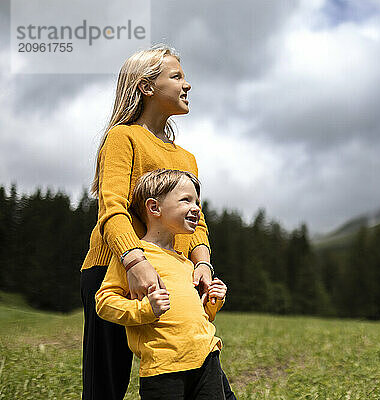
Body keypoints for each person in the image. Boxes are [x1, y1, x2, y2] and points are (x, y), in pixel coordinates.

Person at [79, 44, 225, 399]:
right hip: (114, 268)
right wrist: (135, 262)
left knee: (192, 363)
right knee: (106, 385)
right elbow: (111, 208)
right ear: (146, 87)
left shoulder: (185, 157)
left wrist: (202, 263)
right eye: (176, 77)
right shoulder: (123, 137)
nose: (186, 85)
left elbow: (198, 222)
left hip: (172, 273)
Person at [96, 169, 234, 399]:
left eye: (197, 202)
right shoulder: (136, 258)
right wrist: (144, 309)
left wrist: (213, 300)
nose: (196, 208)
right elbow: (104, 302)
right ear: (154, 208)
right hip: (163, 368)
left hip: (207, 359)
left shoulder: (186, 261)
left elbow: (201, 317)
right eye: (186, 200)